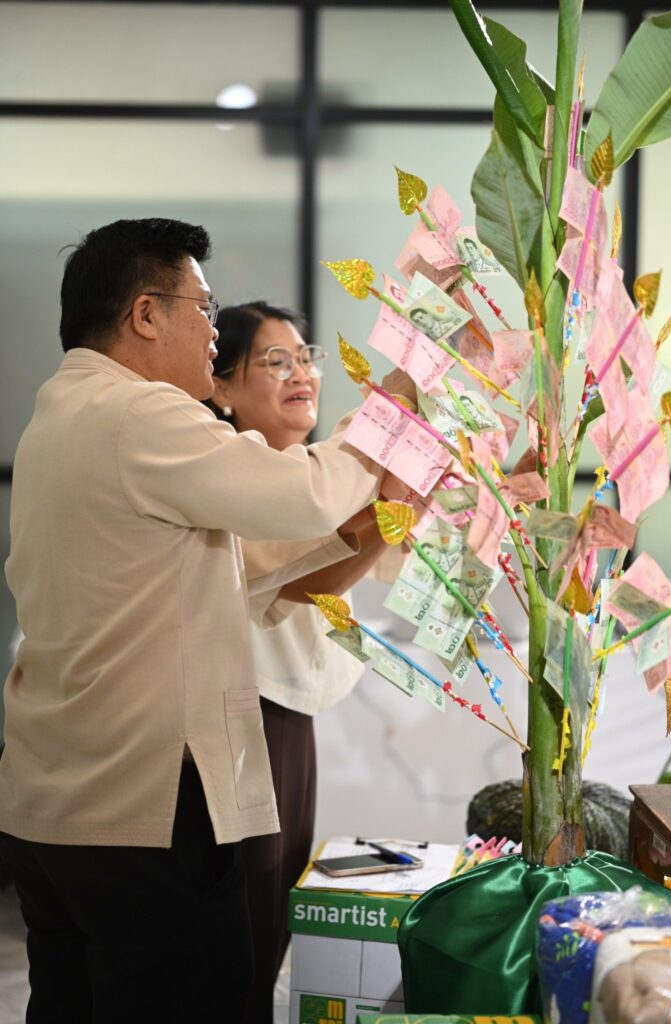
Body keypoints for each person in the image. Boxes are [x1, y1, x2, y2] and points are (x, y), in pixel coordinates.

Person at [0, 218, 416, 1024]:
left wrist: (378, 511)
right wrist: (388, 418)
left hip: (58, 797)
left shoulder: (62, 413)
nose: (213, 328)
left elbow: (257, 566)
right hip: (144, 802)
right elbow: (298, 496)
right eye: (204, 306)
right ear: (145, 315)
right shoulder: (140, 414)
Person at [207, 301, 392, 1024]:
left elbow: (348, 558)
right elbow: (304, 579)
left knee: (275, 896)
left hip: (289, 709)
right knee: (247, 905)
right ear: (222, 386)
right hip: (245, 708)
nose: (302, 375)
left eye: (305, 358)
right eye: (274, 361)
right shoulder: (236, 474)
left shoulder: (310, 474)